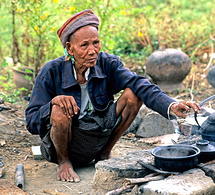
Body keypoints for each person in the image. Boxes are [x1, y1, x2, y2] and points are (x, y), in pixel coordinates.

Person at [25, 9, 200, 183]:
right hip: (68, 143)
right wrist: (53, 104)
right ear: (70, 48)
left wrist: (171, 104)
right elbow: (32, 120)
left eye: (96, 43)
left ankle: (105, 153)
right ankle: (64, 163)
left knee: (133, 94)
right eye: (84, 45)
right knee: (59, 109)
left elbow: (139, 83)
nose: (92, 50)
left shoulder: (108, 63)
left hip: (98, 135)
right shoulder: (51, 71)